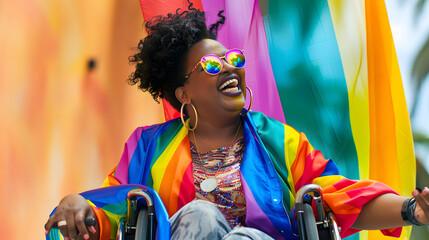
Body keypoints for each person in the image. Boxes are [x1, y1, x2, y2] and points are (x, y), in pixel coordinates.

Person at [44, 3, 429, 240]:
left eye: (235, 60)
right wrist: (80, 206)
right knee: (200, 215)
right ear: (184, 93)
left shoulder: (279, 141)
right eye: (212, 65)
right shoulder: (148, 147)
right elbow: (114, 210)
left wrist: (412, 210)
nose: (230, 67)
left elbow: (341, 198)